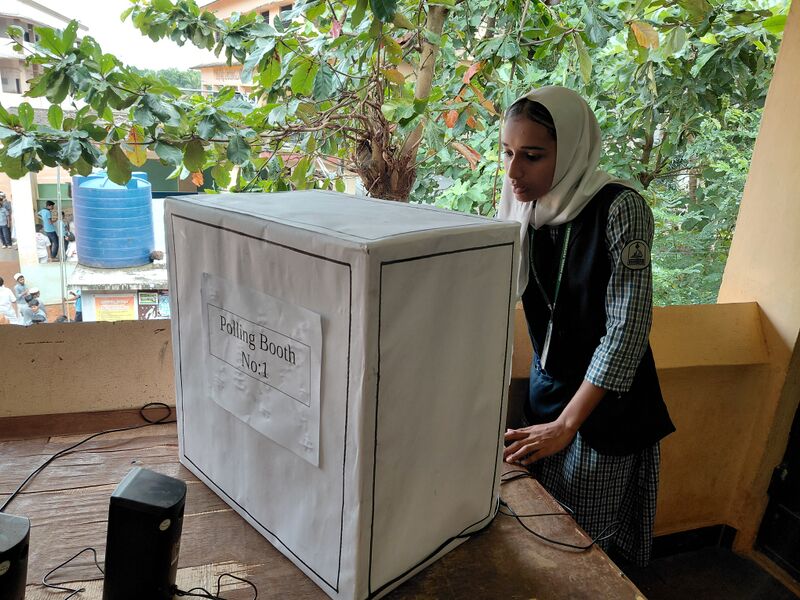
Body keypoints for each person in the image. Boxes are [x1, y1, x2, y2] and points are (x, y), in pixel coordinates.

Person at [499, 86, 675, 567]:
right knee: (539, 524)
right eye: (508, 153)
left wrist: (566, 425)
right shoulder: (526, 209)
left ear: (573, 149)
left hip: (605, 408)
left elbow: (627, 328)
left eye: (532, 156)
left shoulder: (619, 208)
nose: (514, 172)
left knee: (584, 543)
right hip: (548, 390)